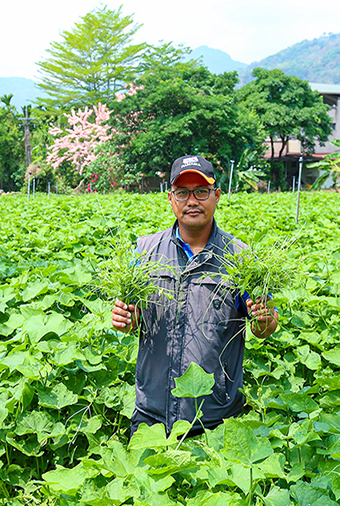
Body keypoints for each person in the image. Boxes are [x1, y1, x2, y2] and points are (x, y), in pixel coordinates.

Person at [111, 154, 279, 438]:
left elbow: (267, 323)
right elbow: (131, 317)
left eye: (201, 191)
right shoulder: (143, 251)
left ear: (217, 195)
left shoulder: (242, 258)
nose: (192, 201)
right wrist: (126, 319)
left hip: (215, 419)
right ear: (170, 198)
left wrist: (265, 322)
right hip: (152, 416)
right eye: (182, 192)